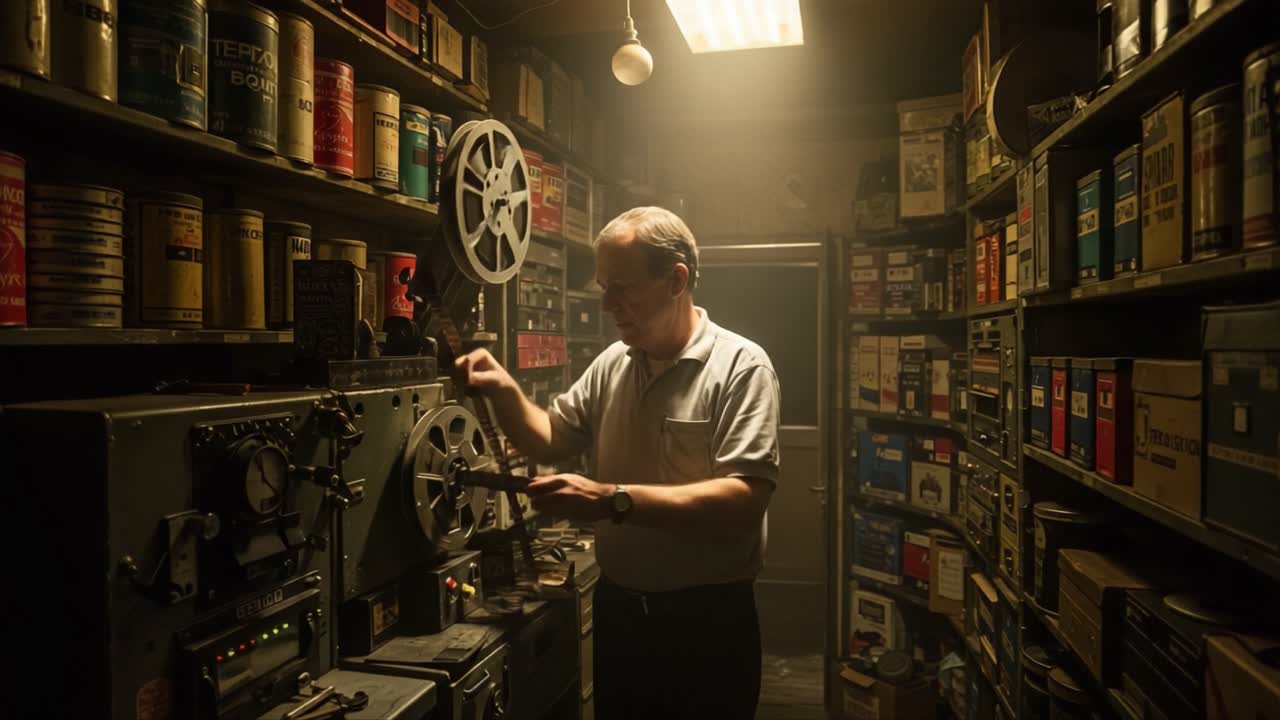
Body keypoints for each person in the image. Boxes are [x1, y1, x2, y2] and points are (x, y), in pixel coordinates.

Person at [455, 206, 781, 719]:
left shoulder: (741, 367)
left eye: (621, 287)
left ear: (676, 280)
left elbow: (744, 499)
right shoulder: (614, 362)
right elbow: (550, 439)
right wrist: (502, 387)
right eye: (603, 286)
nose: (606, 303)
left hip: (708, 625)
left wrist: (613, 500)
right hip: (623, 614)